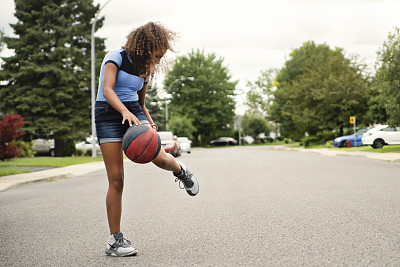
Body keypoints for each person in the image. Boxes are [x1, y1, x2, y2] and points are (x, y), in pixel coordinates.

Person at [94, 22, 199, 257]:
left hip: (133, 110)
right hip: (108, 113)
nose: (159, 60)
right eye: (158, 54)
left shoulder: (145, 68)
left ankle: (181, 170)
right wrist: (123, 112)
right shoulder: (116, 57)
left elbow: (140, 103)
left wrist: (149, 122)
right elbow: (108, 89)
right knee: (117, 178)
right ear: (146, 46)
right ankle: (115, 241)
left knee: (159, 158)